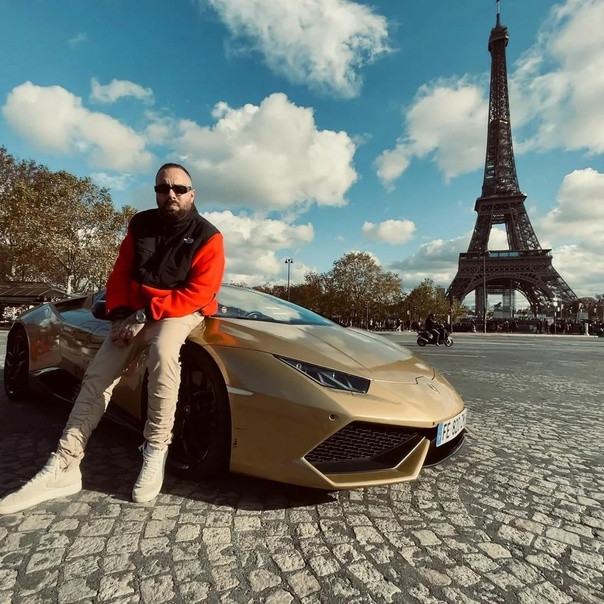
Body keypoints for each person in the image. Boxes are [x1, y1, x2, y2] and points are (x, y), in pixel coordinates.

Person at [0, 163, 225, 514]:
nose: (171, 194)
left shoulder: (209, 236)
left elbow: (200, 292)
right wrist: (120, 315)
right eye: (163, 188)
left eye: (179, 189)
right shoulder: (139, 224)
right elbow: (120, 273)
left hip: (181, 309)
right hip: (133, 313)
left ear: (192, 194)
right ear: (156, 192)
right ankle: (65, 464)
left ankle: (156, 450)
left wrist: (142, 316)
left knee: (164, 353)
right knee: (98, 374)